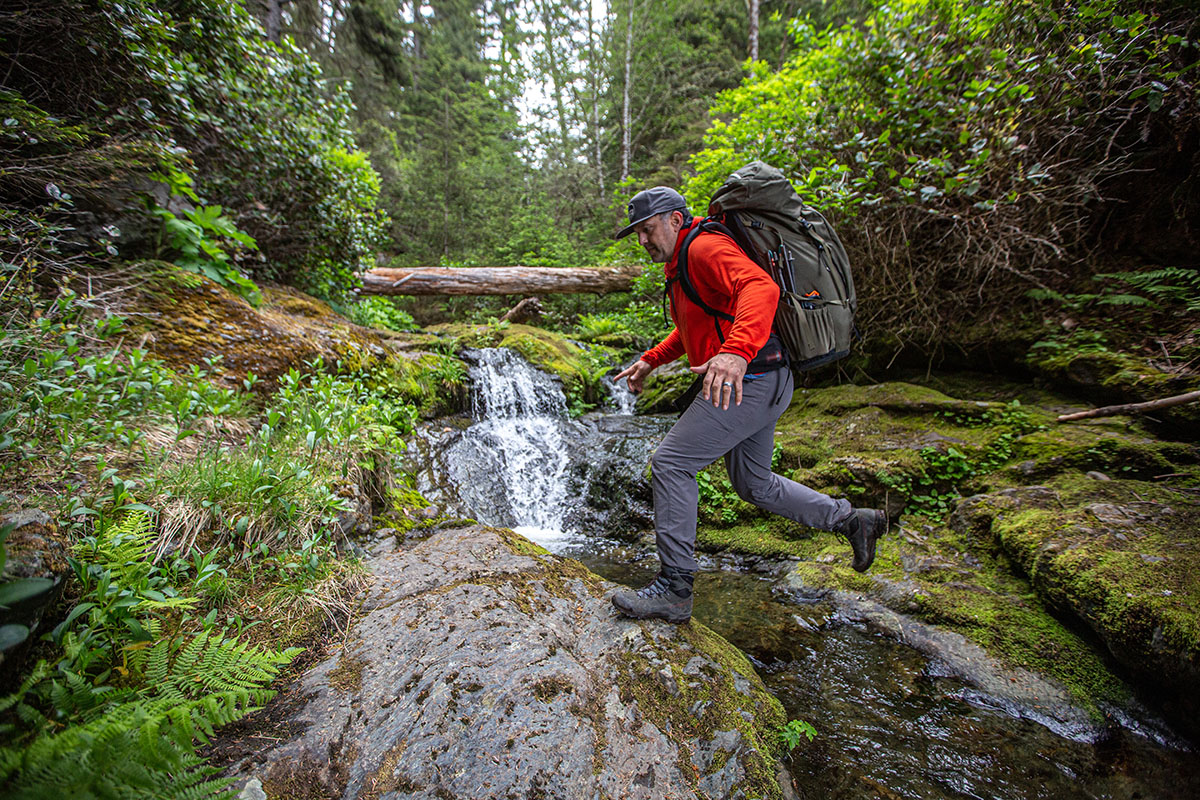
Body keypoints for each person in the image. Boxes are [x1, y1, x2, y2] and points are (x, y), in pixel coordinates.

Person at [611, 186, 888, 624]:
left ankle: (675, 588)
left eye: (648, 230)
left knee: (671, 462)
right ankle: (853, 520)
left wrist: (736, 352)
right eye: (638, 234)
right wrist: (650, 360)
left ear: (675, 221)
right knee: (753, 484)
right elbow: (692, 329)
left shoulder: (703, 248)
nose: (644, 240)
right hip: (766, 380)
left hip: (751, 379)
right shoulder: (681, 264)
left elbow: (760, 288)